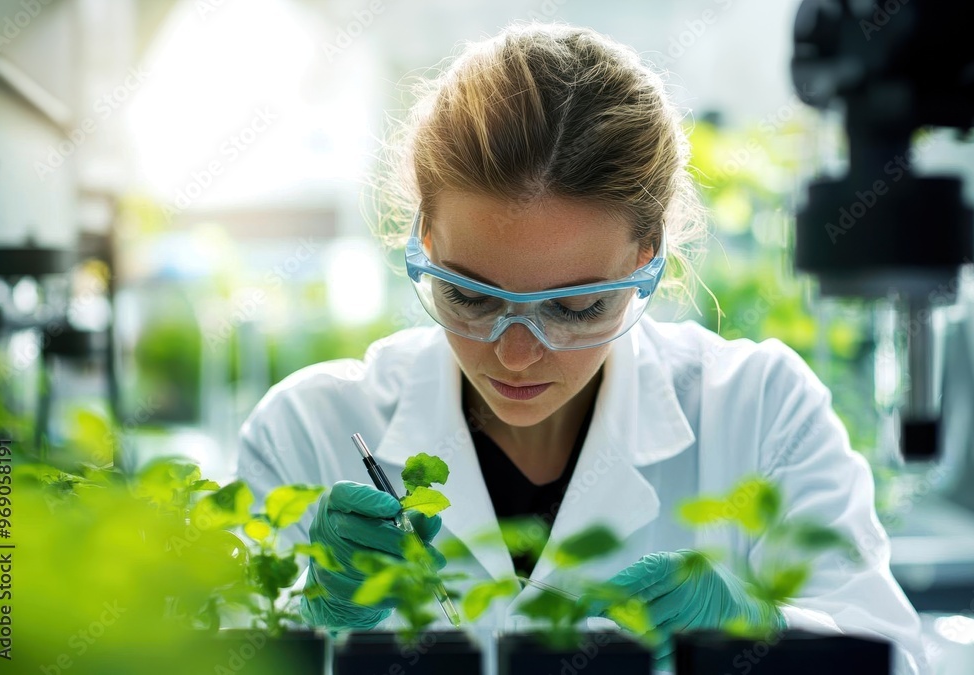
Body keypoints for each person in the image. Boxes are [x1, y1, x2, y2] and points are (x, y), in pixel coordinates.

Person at [236, 22, 927, 673]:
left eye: (575, 308)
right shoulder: (308, 429)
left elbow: (893, 657)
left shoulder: (760, 411)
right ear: (422, 240)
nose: (513, 353)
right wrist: (309, 622)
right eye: (470, 296)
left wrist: (757, 639)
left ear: (646, 257)